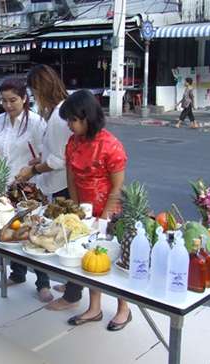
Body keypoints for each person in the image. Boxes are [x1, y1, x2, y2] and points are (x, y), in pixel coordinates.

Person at [59, 89, 131, 331]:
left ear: (86, 118)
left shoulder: (111, 145)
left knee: (116, 258)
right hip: (85, 210)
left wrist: (103, 219)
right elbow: (71, 179)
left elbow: (119, 186)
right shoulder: (73, 142)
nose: (68, 125)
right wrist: (79, 212)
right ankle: (95, 307)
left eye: (71, 120)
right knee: (91, 256)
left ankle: (124, 309)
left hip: (111, 212)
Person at [14, 64, 75, 310]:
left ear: (42, 89)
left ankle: (73, 296)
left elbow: (59, 159)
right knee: (67, 234)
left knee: (68, 236)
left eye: (33, 91)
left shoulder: (60, 114)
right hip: (59, 182)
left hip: (63, 185)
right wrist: (39, 161)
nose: (33, 98)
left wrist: (34, 169)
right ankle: (72, 285)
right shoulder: (59, 111)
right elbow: (57, 153)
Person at [0, 77, 51, 302]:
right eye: (4, 100)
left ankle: (43, 283)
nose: (8, 105)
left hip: (30, 188)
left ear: (25, 98)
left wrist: (33, 166)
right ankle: (17, 273)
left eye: (13, 100)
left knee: (35, 233)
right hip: (5, 187)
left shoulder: (36, 122)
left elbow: (45, 156)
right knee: (10, 231)